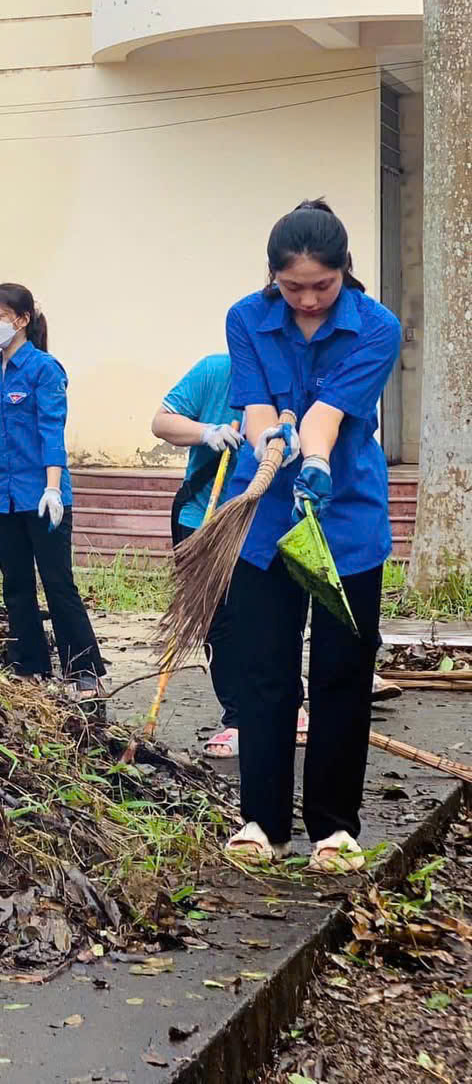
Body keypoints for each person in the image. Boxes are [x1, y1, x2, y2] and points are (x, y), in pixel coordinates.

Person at [218, 200, 400, 873]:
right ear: (272, 277)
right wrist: (269, 440)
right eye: (293, 288)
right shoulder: (246, 317)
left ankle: (333, 828)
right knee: (264, 670)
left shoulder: (376, 327)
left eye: (322, 286)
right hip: (264, 519)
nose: (309, 300)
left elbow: (327, 414)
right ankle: (263, 823)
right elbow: (256, 404)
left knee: (341, 673)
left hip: (344, 517)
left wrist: (315, 460)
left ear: (344, 270)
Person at [0, 282, 107, 696]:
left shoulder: (44, 369)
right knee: (16, 584)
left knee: (58, 583)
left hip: (42, 497)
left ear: (22, 320)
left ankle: (84, 670)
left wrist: (53, 489)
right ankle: (30, 666)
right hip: (4, 499)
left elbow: (51, 432)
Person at [152, 356, 248, 757]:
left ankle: (289, 704)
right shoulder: (215, 371)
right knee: (217, 620)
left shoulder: (288, 372)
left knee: (271, 618)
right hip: (203, 515)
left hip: (262, 520)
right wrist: (206, 432)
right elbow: (162, 422)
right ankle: (238, 718)